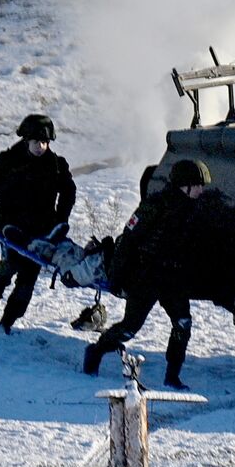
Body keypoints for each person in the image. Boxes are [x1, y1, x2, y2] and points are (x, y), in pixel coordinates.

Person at [82, 159, 211, 389]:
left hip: (173, 278)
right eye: (198, 185)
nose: (202, 190)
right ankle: (96, 351)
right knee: (130, 327)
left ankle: (172, 376)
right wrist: (117, 277)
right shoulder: (155, 206)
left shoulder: (198, 209)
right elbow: (128, 241)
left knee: (183, 324)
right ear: (185, 185)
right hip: (146, 276)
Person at [0, 114, 77, 333]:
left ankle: (7, 321)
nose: (40, 147)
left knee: (28, 277)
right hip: (11, 226)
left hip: (41, 230)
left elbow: (69, 191)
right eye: (36, 142)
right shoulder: (8, 161)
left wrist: (61, 219)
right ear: (26, 140)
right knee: (10, 262)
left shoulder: (56, 165)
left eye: (44, 143)